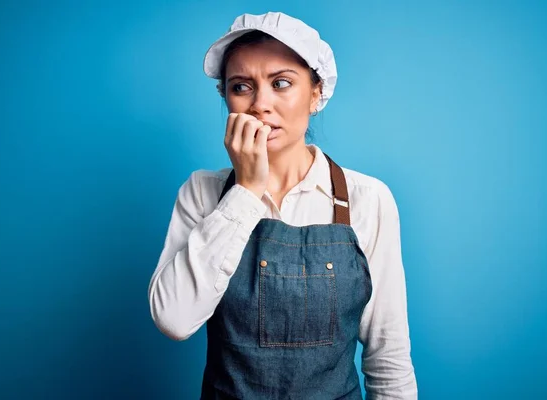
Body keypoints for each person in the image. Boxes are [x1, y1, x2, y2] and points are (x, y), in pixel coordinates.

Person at [148, 11, 417, 399]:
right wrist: (246, 191)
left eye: (281, 83)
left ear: (316, 92)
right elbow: (174, 319)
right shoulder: (202, 192)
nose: (261, 104)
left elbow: (388, 354)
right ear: (226, 99)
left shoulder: (367, 199)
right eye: (241, 87)